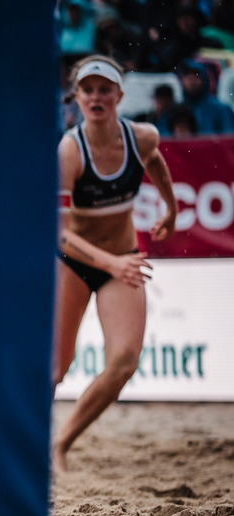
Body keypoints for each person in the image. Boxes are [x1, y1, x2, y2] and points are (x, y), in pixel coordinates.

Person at [53, 55, 177, 472]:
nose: (95, 97)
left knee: (124, 361)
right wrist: (110, 263)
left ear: (119, 95)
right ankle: (25, 449)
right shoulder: (69, 150)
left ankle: (61, 444)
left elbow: (155, 159)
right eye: (87, 90)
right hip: (73, 261)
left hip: (121, 260)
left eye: (104, 89)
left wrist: (171, 208)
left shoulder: (142, 137)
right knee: (55, 369)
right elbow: (62, 234)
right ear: (77, 97)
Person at [176, 59, 234, 134]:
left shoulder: (221, 109)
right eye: (187, 77)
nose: (191, 81)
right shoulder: (177, 111)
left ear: (204, 79)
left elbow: (228, 139)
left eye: (195, 76)